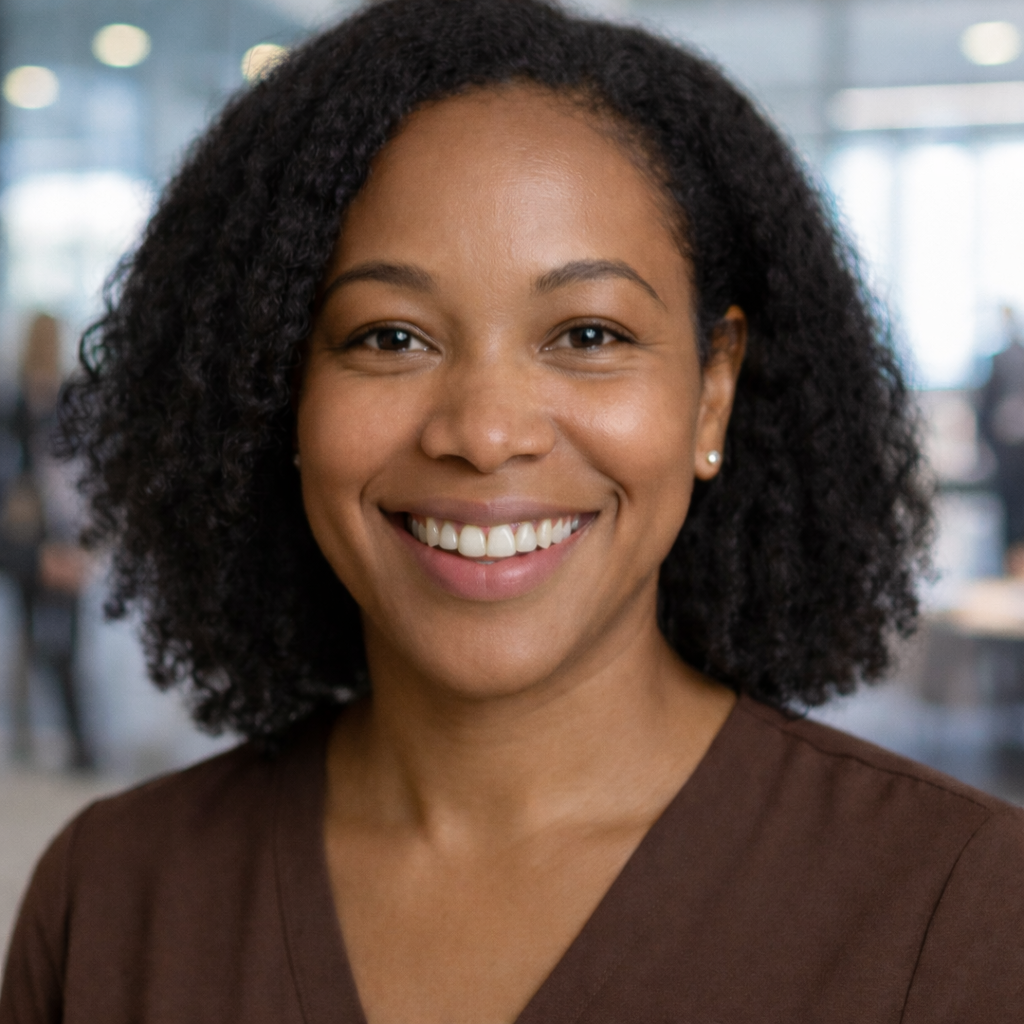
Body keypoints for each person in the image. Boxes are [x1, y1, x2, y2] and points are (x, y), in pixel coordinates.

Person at [3, 0, 1023, 1020]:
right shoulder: (111, 903)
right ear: (280, 396)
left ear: (711, 393)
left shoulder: (961, 910)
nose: (485, 433)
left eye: (586, 334)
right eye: (390, 338)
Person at [0, 313, 93, 770]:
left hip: (52, 540)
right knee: (43, 645)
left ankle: (73, 741)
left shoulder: (64, 401)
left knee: (51, 646)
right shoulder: (15, 403)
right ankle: (53, 741)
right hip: (32, 540)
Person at [979, 305, 1024, 578]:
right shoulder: (995, 362)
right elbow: (984, 408)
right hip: (1006, 449)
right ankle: (1011, 568)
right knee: (1009, 510)